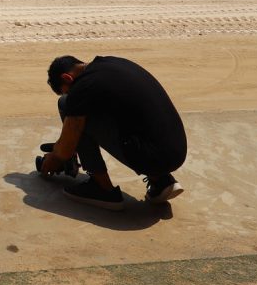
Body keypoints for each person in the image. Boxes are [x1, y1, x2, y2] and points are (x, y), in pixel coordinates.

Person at [37, 55, 186, 210]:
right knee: (119, 116)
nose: (71, 93)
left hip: (153, 158)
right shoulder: (112, 64)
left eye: (67, 90)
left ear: (67, 78)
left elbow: (65, 150)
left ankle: (102, 188)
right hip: (176, 150)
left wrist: (55, 157)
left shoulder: (83, 87)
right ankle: (161, 181)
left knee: (67, 104)